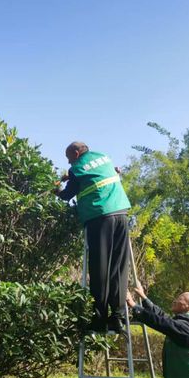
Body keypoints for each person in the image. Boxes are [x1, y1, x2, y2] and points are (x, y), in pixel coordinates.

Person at [55, 141, 131, 334]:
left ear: (76, 152)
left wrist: (57, 189)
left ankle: (99, 320)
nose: (69, 162)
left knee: (100, 268)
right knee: (119, 266)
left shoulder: (77, 167)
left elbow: (67, 195)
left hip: (99, 217)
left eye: (68, 158)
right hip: (121, 214)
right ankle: (118, 316)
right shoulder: (103, 157)